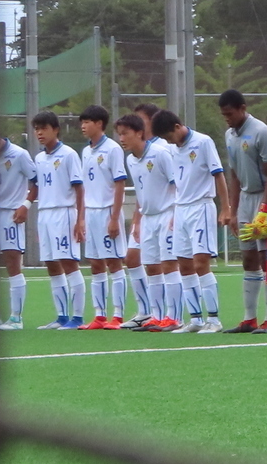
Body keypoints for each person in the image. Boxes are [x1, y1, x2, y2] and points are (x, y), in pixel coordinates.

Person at [156, 108, 230, 333]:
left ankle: (214, 320)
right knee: (184, 265)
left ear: (178, 127)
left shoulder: (203, 142)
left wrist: (225, 208)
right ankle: (196, 319)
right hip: (180, 210)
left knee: (201, 264)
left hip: (201, 208)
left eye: (169, 136)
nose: (169, 141)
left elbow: (218, 174)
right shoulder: (171, 149)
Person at [220, 89, 267, 334]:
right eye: (224, 115)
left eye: (230, 113)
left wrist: (264, 211)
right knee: (248, 258)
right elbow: (234, 174)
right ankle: (249, 319)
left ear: (242, 108)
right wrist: (233, 211)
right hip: (246, 198)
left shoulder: (261, 132)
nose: (227, 118)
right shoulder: (229, 135)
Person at [119, 113, 179, 330]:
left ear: (139, 133)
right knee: (151, 267)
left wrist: (175, 215)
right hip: (148, 218)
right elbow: (141, 193)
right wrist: (137, 222)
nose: (122, 138)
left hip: (167, 215)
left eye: (125, 133)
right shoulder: (130, 160)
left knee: (169, 265)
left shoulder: (161, 154)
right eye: (119, 134)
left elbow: (177, 184)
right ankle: (156, 315)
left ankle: (174, 317)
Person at [28, 110, 87, 329]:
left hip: (64, 213)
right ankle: (61, 316)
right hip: (45, 214)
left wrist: (80, 220)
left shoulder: (69, 154)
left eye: (44, 128)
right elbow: (39, 187)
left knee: (69, 263)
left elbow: (80, 188)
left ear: (56, 130)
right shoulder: (39, 158)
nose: (39, 133)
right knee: (52, 265)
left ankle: (78, 318)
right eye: (36, 129)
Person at [76, 105, 128, 329]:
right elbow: (85, 186)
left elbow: (120, 184)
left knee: (114, 262)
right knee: (96, 264)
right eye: (82, 122)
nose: (83, 126)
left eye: (87, 122)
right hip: (91, 213)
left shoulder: (113, 149)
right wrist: (82, 217)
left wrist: (115, 218)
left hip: (107, 211)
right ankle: (99, 315)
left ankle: (117, 316)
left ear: (99, 124)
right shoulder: (86, 151)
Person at [0, 129, 36, 329]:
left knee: (12, 262)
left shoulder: (19, 154)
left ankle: (16, 318)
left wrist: (26, 205)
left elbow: (36, 181)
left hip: (10, 214)